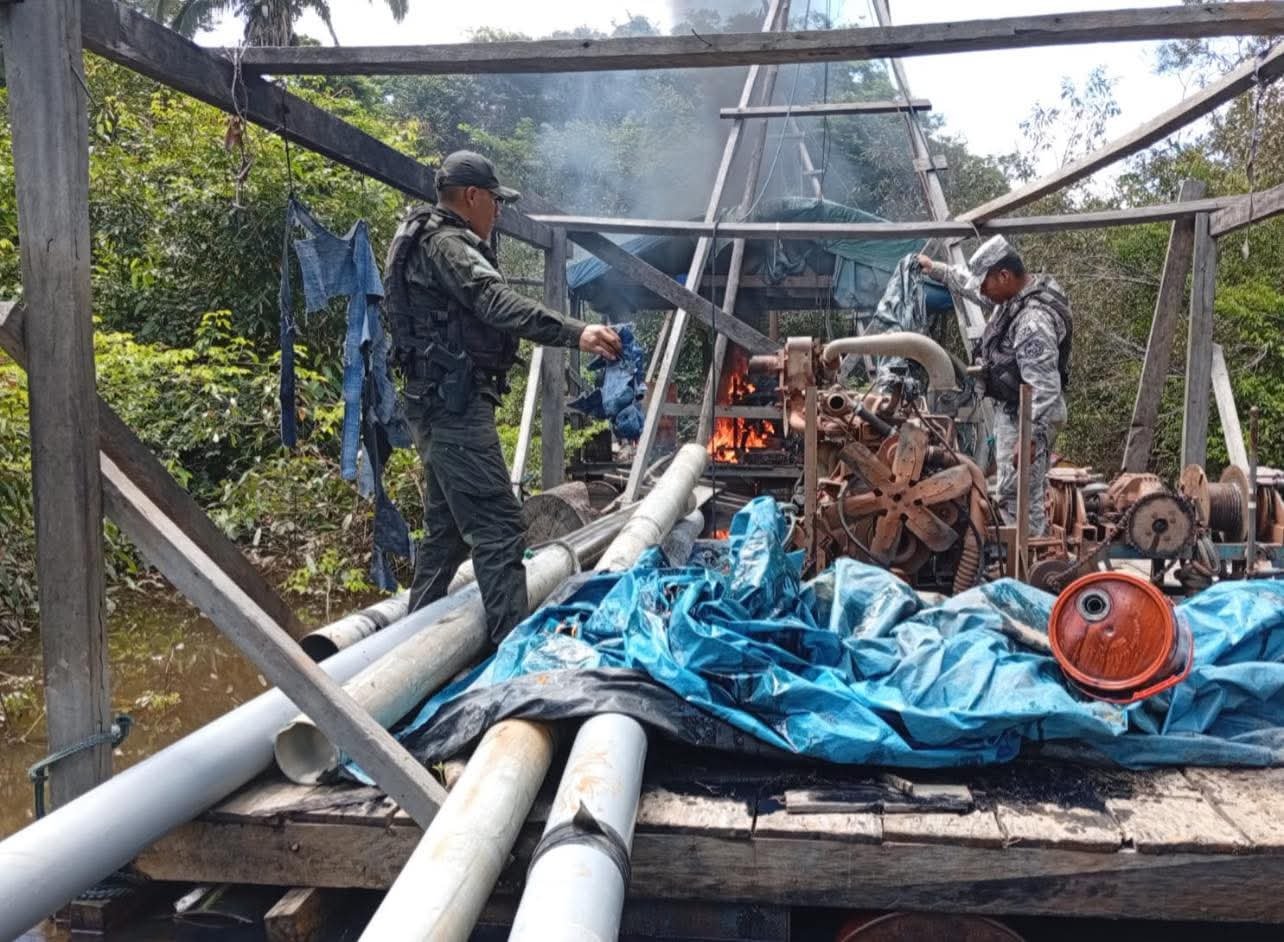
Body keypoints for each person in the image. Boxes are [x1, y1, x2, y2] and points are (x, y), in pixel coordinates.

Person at [384, 150, 622, 642]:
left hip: (435, 405)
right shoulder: (448, 245)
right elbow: (493, 301)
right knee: (498, 530)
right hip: (455, 410)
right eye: (495, 201)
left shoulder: (422, 237)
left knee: (446, 536)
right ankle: (512, 661)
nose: (497, 212)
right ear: (472, 196)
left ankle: (408, 645)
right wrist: (575, 332)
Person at [916, 236, 1072, 536]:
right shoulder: (1013, 294)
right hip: (1016, 410)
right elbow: (970, 285)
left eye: (986, 282)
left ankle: (1025, 565)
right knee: (1018, 488)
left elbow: (1044, 389)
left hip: (1030, 414)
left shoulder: (1033, 322)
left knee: (1019, 494)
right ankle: (1023, 557)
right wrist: (934, 268)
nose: (982, 290)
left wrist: (1029, 437)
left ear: (1004, 275)